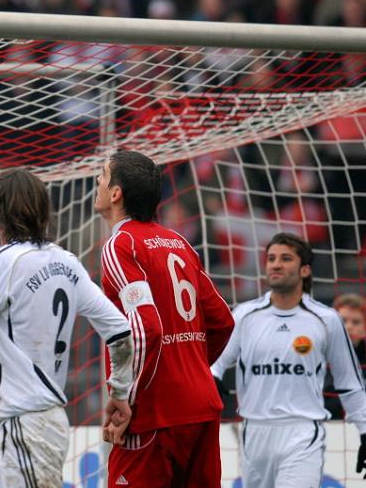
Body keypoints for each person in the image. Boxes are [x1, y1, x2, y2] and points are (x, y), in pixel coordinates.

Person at [0, 167, 135, 486]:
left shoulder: (3, 259)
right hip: (39, 424)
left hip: (20, 426)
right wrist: (119, 391)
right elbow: (121, 332)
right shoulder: (68, 262)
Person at [95, 150, 235, 488]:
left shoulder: (121, 244)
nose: (96, 183)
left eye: (101, 176)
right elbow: (223, 321)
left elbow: (145, 328)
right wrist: (187, 366)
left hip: (154, 414)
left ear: (116, 194)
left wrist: (123, 395)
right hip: (201, 407)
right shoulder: (179, 242)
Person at [211, 232, 366, 487]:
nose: (276, 264)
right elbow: (217, 359)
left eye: (285, 258)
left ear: (304, 270)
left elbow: (350, 382)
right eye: (271, 258)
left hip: (302, 432)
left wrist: (364, 431)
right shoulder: (245, 315)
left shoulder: (326, 319)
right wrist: (214, 377)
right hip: (253, 432)